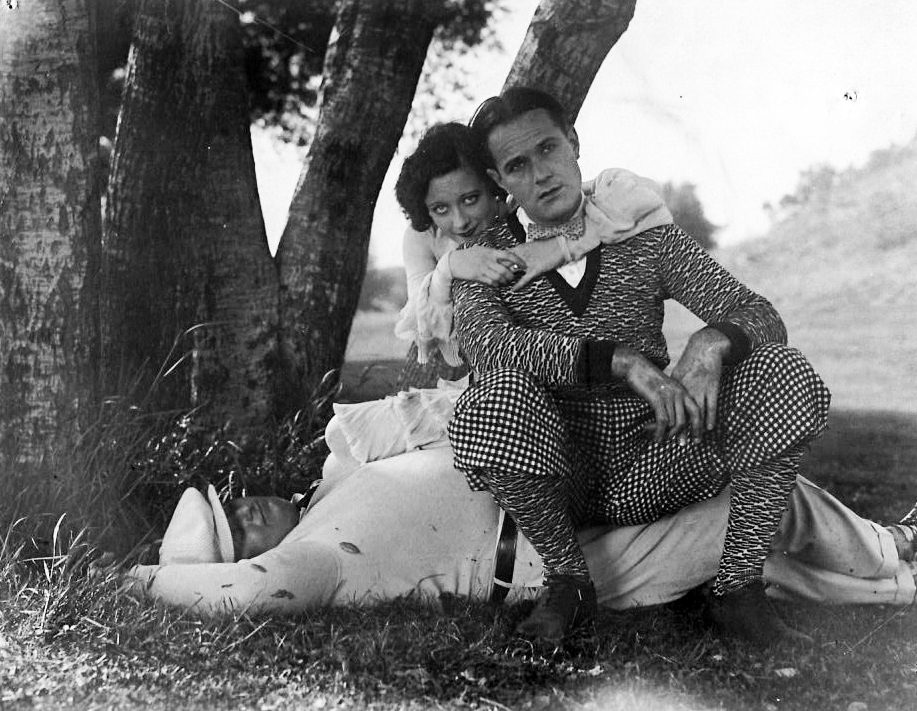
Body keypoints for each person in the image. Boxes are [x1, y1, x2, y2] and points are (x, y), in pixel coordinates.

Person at [447, 87, 832, 645]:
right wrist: (619, 361)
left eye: (550, 150)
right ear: (500, 179)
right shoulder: (485, 259)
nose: (542, 174)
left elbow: (757, 312)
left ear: (574, 144)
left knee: (781, 371)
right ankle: (570, 584)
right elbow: (493, 350)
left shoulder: (640, 235)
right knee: (491, 398)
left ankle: (737, 590)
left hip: (657, 452)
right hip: (559, 473)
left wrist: (709, 344)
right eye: (518, 166)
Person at [125, 442, 917, 618]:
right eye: (238, 529)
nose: (249, 510)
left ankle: (896, 582)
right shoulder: (315, 557)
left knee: (750, 545)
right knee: (759, 500)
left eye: (236, 503)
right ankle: (893, 548)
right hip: (552, 556)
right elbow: (243, 593)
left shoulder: (331, 488)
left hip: (560, 492)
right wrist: (130, 580)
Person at [393, 121, 672, 376]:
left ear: (494, 182)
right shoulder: (424, 237)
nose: (459, 221)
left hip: (553, 360)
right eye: (440, 208)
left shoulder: (524, 210)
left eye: (470, 199)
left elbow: (645, 193)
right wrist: (450, 266)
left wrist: (562, 245)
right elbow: (426, 322)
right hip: (482, 370)